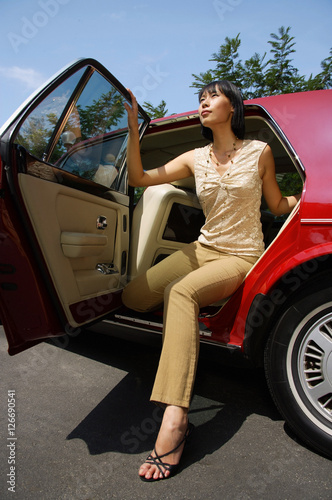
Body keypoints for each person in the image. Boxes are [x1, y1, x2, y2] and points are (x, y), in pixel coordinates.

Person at [122, 81, 301, 482]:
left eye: (213, 96)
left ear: (233, 107)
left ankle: (174, 418)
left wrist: (306, 196)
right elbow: (137, 178)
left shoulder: (260, 152)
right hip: (200, 249)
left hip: (240, 255)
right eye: (200, 98)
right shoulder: (194, 157)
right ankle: (180, 325)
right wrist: (134, 126)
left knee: (180, 292)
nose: (203, 102)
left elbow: (276, 204)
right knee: (133, 296)